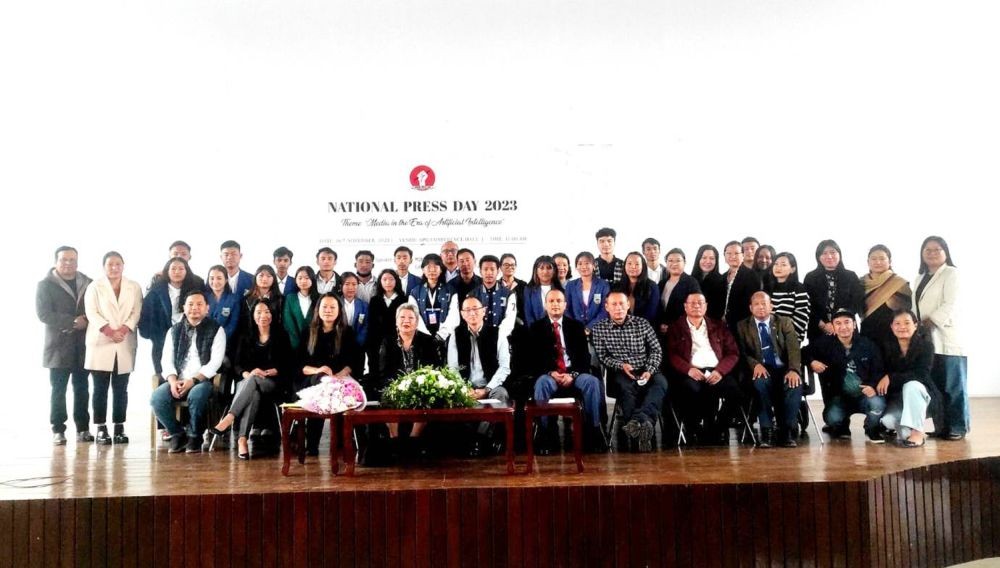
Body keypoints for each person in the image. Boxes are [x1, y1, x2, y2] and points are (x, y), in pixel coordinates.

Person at [211, 301, 294, 459]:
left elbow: (288, 364)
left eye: (267, 311)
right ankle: (242, 440)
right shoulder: (245, 335)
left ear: (272, 314)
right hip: (248, 381)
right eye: (259, 312)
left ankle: (230, 417)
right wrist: (247, 374)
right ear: (253, 315)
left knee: (254, 381)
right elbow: (237, 365)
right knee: (253, 390)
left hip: (272, 383)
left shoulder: (281, 335)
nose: (263, 315)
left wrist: (273, 371)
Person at [529, 289, 606, 453]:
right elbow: (533, 360)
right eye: (551, 301)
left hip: (574, 373)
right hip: (550, 374)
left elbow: (585, 358)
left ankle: (593, 431)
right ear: (545, 305)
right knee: (542, 383)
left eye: (559, 301)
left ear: (565, 305)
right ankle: (546, 434)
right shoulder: (536, 328)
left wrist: (573, 375)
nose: (555, 304)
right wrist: (551, 373)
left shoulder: (576, 326)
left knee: (592, 382)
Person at [151, 290, 227, 453]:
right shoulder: (174, 330)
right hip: (177, 379)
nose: (195, 308)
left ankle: (195, 436)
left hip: (202, 381)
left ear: (207, 308)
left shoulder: (216, 329)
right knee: (157, 398)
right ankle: (177, 434)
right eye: (190, 304)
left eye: (199, 304)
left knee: (197, 395)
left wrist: (193, 381)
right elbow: (166, 360)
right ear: (184, 307)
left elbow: (215, 362)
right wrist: (172, 381)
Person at [592, 291, 668, 452]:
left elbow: (656, 350)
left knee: (661, 383)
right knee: (626, 389)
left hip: (646, 368)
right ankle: (643, 431)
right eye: (614, 304)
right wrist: (620, 365)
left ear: (628, 305)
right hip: (620, 371)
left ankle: (638, 425)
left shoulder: (642, 323)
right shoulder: (599, 329)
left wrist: (649, 369)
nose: (618, 308)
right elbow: (603, 357)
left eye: (621, 304)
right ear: (606, 307)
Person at [665, 292, 741, 445]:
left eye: (700, 302)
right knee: (691, 389)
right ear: (685, 307)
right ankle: (693, 427)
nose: (697, 306)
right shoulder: (676, 328)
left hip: (716, 371)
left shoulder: (719, 326)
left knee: (736, 393)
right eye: (692, 303)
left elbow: (733, 353)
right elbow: (671, 355)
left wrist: (720, 371)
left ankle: (718, 427)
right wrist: (688, 370)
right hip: (691, 372)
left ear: (706, 306)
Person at [36, 246, 93, 444]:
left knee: (82, 388)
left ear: (77, 262)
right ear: (56, 261)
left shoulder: (88, 283)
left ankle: (83, 429)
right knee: (58, 390)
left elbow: (96, 308)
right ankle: (58, 429)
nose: (68, 263)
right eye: (64, 259)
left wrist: (85, 319)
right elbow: (44, 314)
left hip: (83, 346)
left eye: (72, 260)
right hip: (58, 347)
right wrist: (72, 322)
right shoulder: (45, 285)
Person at [913, 235, 967, 440]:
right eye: (928, 250)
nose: (932, 253)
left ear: (946, 252)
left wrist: (929, 321)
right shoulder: (920, 277)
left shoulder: (951, 274)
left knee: (953, 386)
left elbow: (950, 304)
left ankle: (958, 427)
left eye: (937, 249)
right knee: (935, 386)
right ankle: (942, 426)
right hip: (926, 339)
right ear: (922, 254)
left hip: (947, 337)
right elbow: (915, 307)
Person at [296, 294, 363, 455]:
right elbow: (299, 365)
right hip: (312, 380)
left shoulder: (347, 332)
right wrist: (318, 371)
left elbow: (354, 362)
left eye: (333, 307)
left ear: (339, 310)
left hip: (340, 379)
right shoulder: (308, 332)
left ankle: (341, 441)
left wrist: (338, 376)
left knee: (336, 388)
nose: (328, 310)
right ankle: (312, 443)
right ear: (318, 309)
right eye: (324, 307)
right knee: (321, 383)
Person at [806, 309, 886, 442]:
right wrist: (812, 362)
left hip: (864, 394)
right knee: (832, 418)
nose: (843, 327)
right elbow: (804, 352)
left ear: (854, 324)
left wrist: (872, 386)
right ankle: (842, 426)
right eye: (838, 323)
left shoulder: (868, 345)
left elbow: (879, 370)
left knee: (877, 404)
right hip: (839, 397)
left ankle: (872, 428)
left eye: (847, 322)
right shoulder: (825, 343)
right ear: (833, 326)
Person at [736, 292, 803, 448]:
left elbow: (794, 348)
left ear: (771, 306)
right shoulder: (742, 326)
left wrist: (794, 369)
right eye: (757, 304)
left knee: (794, 384)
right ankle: (766, 431)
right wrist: (755, 365)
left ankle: (787, 430)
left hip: (783, 368)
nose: (761, 307)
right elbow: (741, 352)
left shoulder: (784, 322)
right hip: (760, 368)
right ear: (750, 308)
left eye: (764, 304)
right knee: (760, 383)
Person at [447, 296, 512, 456]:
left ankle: (479, 438)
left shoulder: (498, 333)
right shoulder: (456, 334)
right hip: (465, 387)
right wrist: (464, 389)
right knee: (452, 399)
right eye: (467, 310)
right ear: (462, 314)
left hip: (491, 386)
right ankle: (477, 440)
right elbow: (452, 369)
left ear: (484, 311)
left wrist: (487, 388)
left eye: (475, 309)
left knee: (501, 396)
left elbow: (504, 367)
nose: (472, 313)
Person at [373, 304, 442, 452]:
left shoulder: (427, 341)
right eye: (402, 317)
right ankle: (394, 440)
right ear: (396, 321)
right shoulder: (388, 341)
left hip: (420, 385)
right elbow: (383, 372)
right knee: (388, 396)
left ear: (416, 322)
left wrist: (418, 385)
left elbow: (434, 369)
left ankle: (413, 440)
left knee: (425, 397)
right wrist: (397, 386)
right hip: (395, 386)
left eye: (411, 318)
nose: (406, 321)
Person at [878, 310, 938, 448]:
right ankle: (908, 429)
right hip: (898, 397)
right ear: (892, 327)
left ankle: (917, 433)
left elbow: (921, 374)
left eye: (907, 323)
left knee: (911, 385)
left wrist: (891, 378)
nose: (902, 327)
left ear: (915, 325)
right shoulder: (886, 347)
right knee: (888, 421)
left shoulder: (926, 346)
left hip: (921, 396)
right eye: (897, 323)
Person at [138, 258, 199, 375]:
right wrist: (150, 334)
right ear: (167, 271)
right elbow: (145, 313)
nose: (177, 272)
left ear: (187, 271)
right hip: (161, 339)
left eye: (181, 269)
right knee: (163, 375)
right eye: (173, 268)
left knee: (186, 374)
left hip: (188, 338)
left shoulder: (194, 290)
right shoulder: (156, 290)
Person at [803, 239, 865, 343]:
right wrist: (823, 324)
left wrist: (839, 324)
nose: (829, 256)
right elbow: (807, 305)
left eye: (833, 252)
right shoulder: (810, 278)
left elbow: (856, 303)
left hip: (846, 329)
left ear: (839, 254)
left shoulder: (851, 276)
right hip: (818, 329)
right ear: (818, 257)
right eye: (824, 253)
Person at [860, 245, 912, 351]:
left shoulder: (899, 283)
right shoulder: (860, 283)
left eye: (882, 258)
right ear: (868, 262)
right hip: (867, 332)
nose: (878, 262)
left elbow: (909, 310)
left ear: (890, 261)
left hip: (894, 334)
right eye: (874, 259)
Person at [408, 254, 458, 341]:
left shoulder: (450, 290)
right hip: (422, 337)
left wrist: (441, 335)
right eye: (428, 267)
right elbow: (414, 315)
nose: (432, 270)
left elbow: (454, 316)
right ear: (423, 270)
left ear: (441, 270)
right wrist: (425, 335)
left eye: (435, 267)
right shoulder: (415, 292)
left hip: (445, 337)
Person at [366, 269, 408, 372]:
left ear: (396, 281)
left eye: (391, 279)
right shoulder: (375, 300)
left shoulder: (404, 300)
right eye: (384, 279)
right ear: (380, 282)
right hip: (377, 343)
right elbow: (371, 325)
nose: (388, 282)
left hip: (398, 341)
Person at [765, 252, 810, 342]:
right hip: (767, 338)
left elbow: (801, 317)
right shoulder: (767, 288)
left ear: (792, 269)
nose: (778, 267)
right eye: (776, 264)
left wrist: (787, 338)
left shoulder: (799, 289)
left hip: (790, 340)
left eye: (783, 265)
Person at [656, 248, 701, 334]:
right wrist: (660, 324)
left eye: (678, 261)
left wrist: (673, 326)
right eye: (670, 261)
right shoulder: (662, 283)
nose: (674, 264)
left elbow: (695, 308)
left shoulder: (691, 282)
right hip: (662, 330)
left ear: (684, 262)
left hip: (682, 331)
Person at [468, 255, 516, 335]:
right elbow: (470, 318)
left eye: (492, 269)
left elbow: (510, 320)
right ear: (480, 271)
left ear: (498, 271)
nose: (489, 273)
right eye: (485, 269)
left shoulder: (509, 294)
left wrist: (498, 335)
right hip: (478, 337)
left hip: (502, 337)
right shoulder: (472, 295)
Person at [721, 241, 762, 331]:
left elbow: (751, 304)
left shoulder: (752, 276)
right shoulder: (722, 277)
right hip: (722, 326)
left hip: (742, 326)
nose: (732, 256)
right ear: (724, 256)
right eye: (729, 253)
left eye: (736, 253)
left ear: (743, 255)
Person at [564, 252, 610, 331]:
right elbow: (566, 308)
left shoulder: (603, 285)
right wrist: (575, 326)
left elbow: (605, 309)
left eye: (587, 263)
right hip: (575, 329)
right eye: (580, 264)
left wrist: (589, 327)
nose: (584, 266)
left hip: (598, 328)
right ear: (576, 267)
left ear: (593, 266)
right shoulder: (570, 285)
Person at [613, 252, 659, 323]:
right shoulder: (616, 286)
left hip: (644, 327)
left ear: (643, 267)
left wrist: (635, 328)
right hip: (621, 329)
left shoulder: (652, 286)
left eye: (637, 264)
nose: (633, 267)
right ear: (624, 266)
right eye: (629, 263)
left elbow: (651, 313)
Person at [240, 264, 284, 332]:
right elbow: (243, 323)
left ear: (274, 279)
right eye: (261, 275)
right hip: (249, 338)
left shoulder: (281, 299)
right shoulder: (246, 299)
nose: (264, 279)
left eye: (269, 276)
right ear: (255, 278)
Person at [522, 255, 564, 327]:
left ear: (554, 271)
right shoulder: (529, 290)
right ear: (536, 271)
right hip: (536, 332)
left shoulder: (561, 291)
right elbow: (528, 315)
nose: (545, 271)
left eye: (549, 268)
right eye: (541, 268)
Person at [205, 264, 242, 345]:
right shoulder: (203, 298)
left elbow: (233, 324)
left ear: (225, 280)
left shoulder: (234, 299)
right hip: (204, 341)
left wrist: (220, 339)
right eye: (211, 278)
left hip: (226, 342)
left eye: (219, 278)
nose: (215, 281)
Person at [691, 245, 726, 321]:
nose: (708, 261)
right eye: (704, 258)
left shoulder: (722, 280)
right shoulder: (690, 280)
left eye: (712, 258)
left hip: (712, 325)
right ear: (698, 259)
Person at [339, 271, 369, 349]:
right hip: (337, 344)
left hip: (358, 346)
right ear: (341, 286)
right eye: (347, 284)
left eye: (354, 284)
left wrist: (358, 343)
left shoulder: (364, 305)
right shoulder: (336, 303)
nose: (351, 287)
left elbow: (365, 326)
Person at [500, 253, 528, 325]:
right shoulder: (496, 286)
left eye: (512, 265)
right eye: (506, 265)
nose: (510, 267)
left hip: (521, 326)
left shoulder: (523, 285)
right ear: (500, 267)